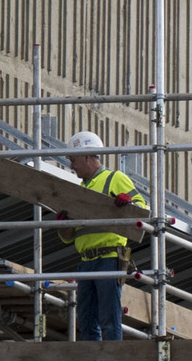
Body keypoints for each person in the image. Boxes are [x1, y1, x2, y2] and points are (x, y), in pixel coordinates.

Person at [54, 131, 149, 341]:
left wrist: (128, 204)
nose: (71, 166)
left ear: (88, 156)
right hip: (87, 261)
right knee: (86, 320)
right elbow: (69, 238)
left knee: (109, 318)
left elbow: (142, 209)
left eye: (73, 160)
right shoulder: (79, 191)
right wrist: (63, 225)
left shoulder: (114, 178)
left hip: (109, 259)